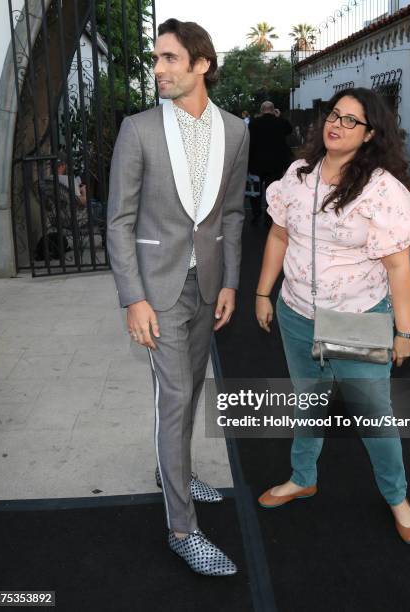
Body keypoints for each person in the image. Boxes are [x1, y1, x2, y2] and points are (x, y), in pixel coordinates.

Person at [106, 18, 249, 575]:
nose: (158, 69)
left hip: (207, 283)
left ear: (201, 64)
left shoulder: (235, 131)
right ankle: (181, 528)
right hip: (157, 287)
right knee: (173, 395)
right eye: (156, 58)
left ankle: (176, 471)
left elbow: (232, 214)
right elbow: (118, 221)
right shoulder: (138, 129)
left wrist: (232, 280)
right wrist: (132, 297)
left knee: (191, 391)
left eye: (169, 58)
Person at [255, 87, 410, 544]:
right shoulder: (298, 174)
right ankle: (303, 477)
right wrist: (263, 292)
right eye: (335, 114)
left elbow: (397, 266)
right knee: (309, 402)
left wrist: (404, 331)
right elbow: (277, 236)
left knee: (374, 416)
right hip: (296, 313)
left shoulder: (381, 189)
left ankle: (397, 497)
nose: (337, 124)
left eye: (352, 120)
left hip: (354, 319)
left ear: (370, 134)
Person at [248, 101, 292, 224]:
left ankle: (256, 214)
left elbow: (250, 143)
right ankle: (270, 217)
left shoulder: (254, 123)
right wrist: (279, 116)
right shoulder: (280, 122)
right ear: (273, 110)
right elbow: (289, 130)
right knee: (272, 191)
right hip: (275, 164)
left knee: (255, 191)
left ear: (262, 110)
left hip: (256, 164)